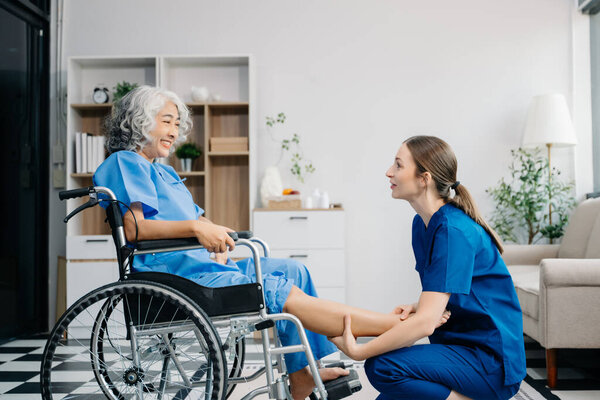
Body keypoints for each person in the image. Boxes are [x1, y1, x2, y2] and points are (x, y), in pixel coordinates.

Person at [93, 85, 416, 400]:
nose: (174, 131)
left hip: (200, 264)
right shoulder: (125, 163)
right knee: (275, 290)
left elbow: (198, 220)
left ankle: (304, 371)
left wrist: (214, 234)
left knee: (294, 270)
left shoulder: (163, 172)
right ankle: (386, 326)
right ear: (138, 121)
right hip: (176, 275)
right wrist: (196, 228)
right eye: (166, 121)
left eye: (177, 123)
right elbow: (134, 228)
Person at [329, 136, 526, 400]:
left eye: (398, 165)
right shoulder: (421, 225)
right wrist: (421, 305)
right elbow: (450, 292)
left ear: (424, 179)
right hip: (458, 347)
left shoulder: (454, 230)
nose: (389, 172)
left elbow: (424, 324)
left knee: (382, 366)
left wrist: (359, 351)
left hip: (490, 362)